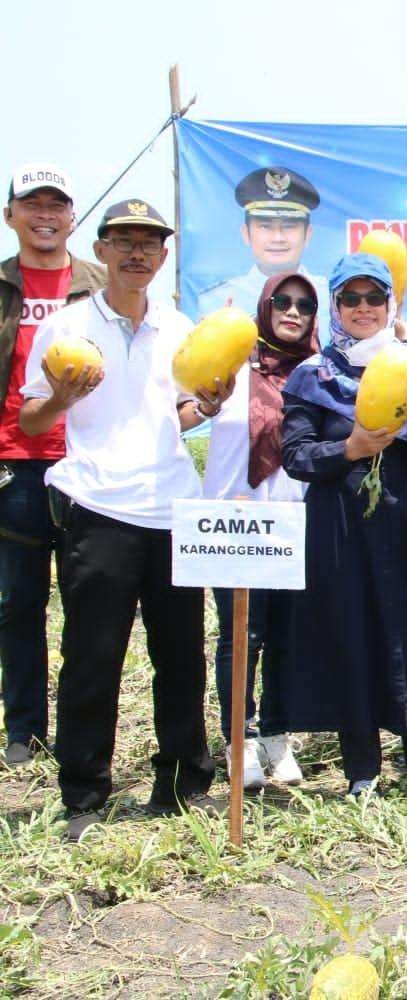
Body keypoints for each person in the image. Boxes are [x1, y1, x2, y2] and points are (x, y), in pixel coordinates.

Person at [19, 199, 213, 841]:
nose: (137, 253)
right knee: (93, 657)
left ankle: (183, 784)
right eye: (124, 241)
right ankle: (84, 796)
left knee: (182, 656)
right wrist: (65, 398)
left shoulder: (181, 327)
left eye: (149, 243)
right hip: (98, 507)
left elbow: (179, 415)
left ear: (164, 254)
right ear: (99, 251)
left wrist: (210, 404)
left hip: (171, 507)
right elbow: (31, 421)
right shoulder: (69, 328)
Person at [280, 253, 407, 796]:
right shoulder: (310, 376)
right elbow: (295, 455)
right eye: (351, 298)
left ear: (391, 304)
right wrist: (351, 448)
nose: (363, 308)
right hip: (339, 526)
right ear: (336, 306)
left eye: (374, 298)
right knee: (352, 631)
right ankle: (361, 766)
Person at [194, 272, 319, 789]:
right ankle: (238, 742)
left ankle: (277, 735)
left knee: (288, 635)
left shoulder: (317, 373)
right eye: (282, 302)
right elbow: (188, 406)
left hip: (295, 520)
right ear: (264, 306)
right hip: (234, 521)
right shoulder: (230, 362)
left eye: (305, 305)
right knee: (241, 635)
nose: (293, 312)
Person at [0, 163, 106, 765]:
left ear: (72, 217)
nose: (45, 214)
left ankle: (79, 729)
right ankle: (24, 729)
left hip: (87, 462)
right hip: (15, 463)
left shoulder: (98, 283)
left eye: (56, 204)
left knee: (88, 602)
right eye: (31, 204)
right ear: (10, 216)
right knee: (18, 602)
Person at [197, 167, 328, 329]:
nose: (278, 238)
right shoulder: (215, 302)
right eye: (265, 227)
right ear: (246, 234)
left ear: (308, 234)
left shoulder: (331, 300)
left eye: (289, 226)